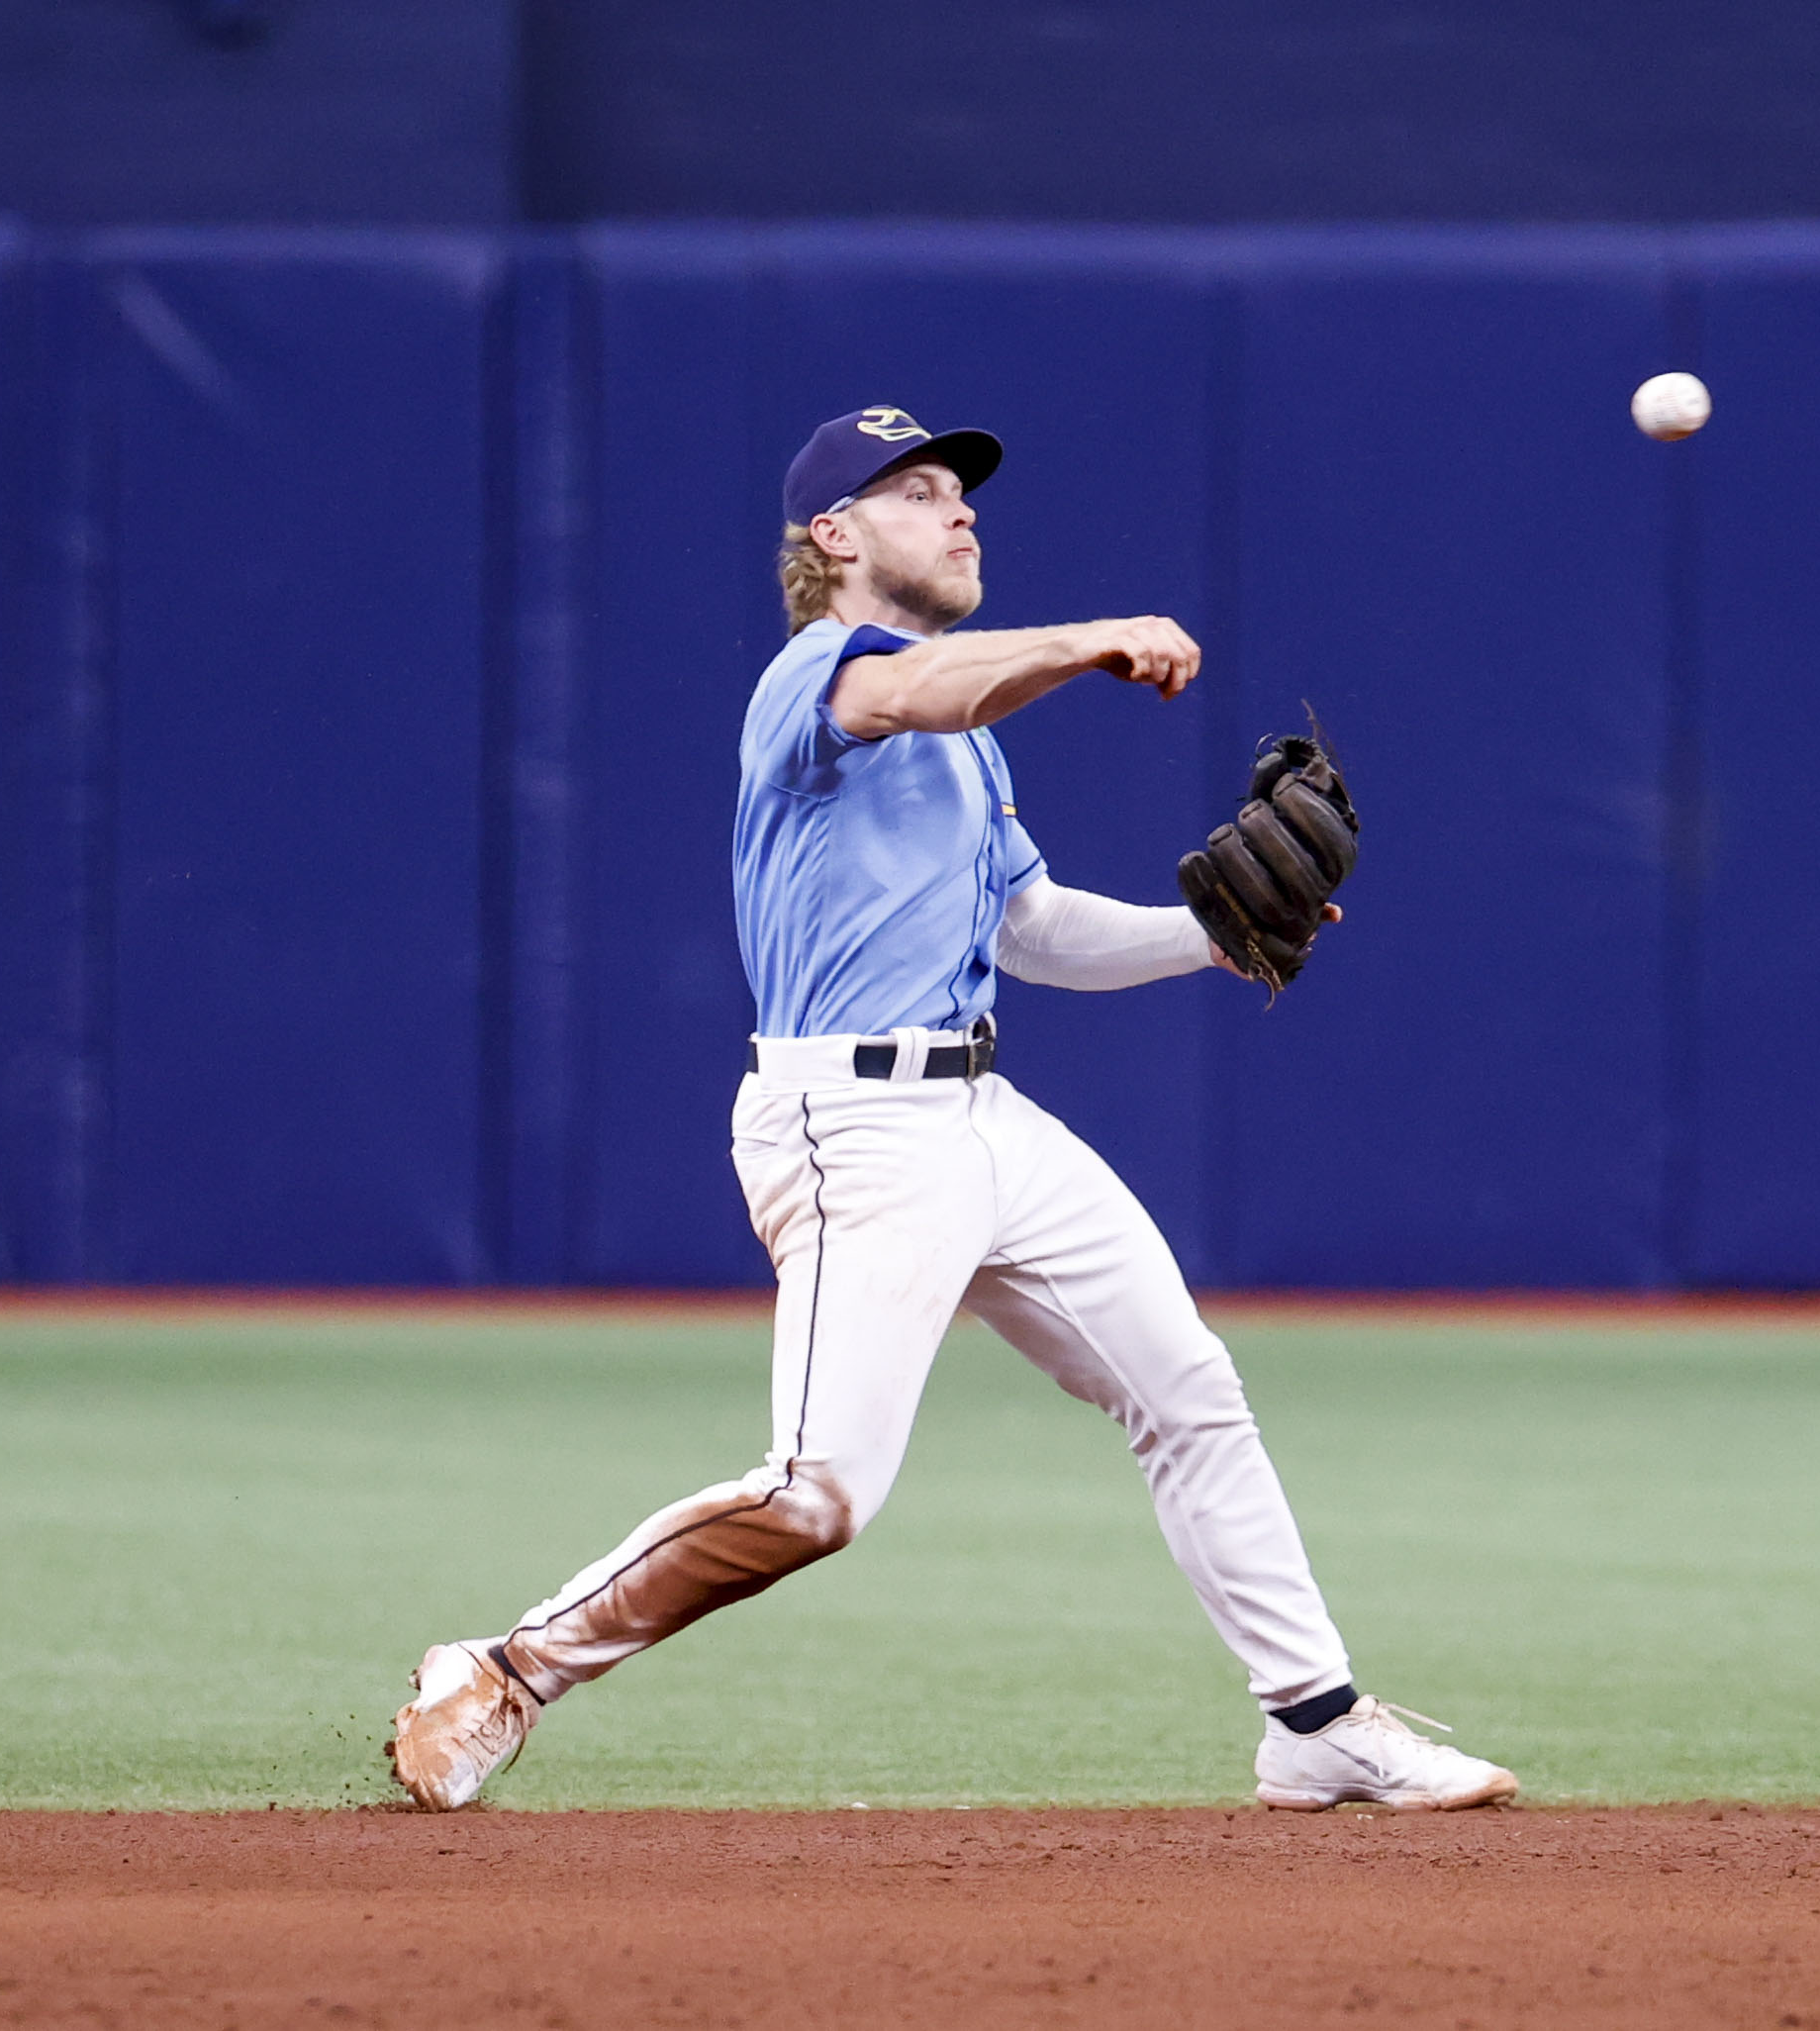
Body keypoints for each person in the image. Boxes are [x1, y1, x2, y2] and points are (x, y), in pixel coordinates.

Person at [386, 406, 1520, 1816]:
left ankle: (1313, 1722)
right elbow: (911, 694)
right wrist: (1088, 637)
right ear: (835, 536)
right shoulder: (818, 679)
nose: (960, 512)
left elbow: (1035, 928)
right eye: (918, 493)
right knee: (816, 1498)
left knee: (1188, 1392)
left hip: (981, 1116)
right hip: (848, 1130)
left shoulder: (969, 739)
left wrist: (1209, 937)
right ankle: (504, 1669)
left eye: (961, 492)